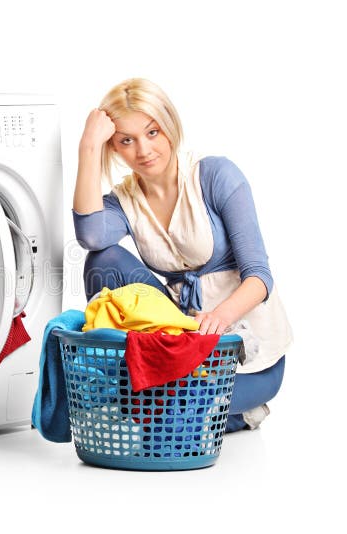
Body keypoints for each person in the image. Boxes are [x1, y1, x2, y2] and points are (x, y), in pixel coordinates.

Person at [73, 78, 293, 432]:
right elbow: (91, 236)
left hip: (244, 350)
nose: (143, 150)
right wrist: (87, 147)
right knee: (103, 261)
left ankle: (209, 406)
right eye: (126, 141)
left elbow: (259, 277)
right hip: (182, 335)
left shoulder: (215, 175)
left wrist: (218, 319)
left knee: (176, 403)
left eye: (152, 132)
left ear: (170, 126)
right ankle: (177, 396)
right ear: (113, 148)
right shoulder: (125, 200)